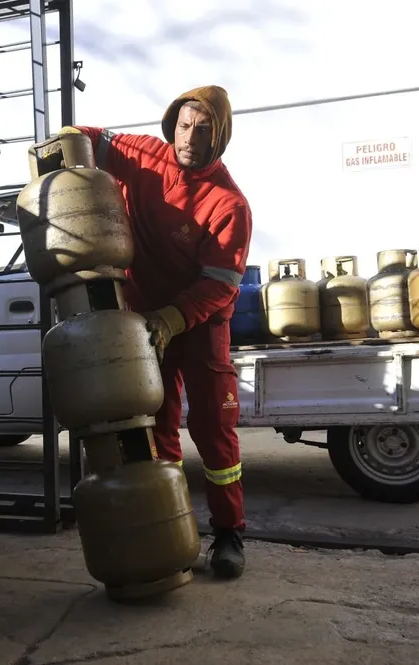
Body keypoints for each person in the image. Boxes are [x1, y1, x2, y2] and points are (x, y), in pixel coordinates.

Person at [61, 85, 253, 579]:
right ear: (172, 126)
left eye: (203, 130)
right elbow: (91, 138)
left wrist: (173, 318)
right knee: (156, 427)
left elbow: (220, 284)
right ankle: (174, 530)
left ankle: (229, 533)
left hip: (198, 324)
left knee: (213, 429)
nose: (189, 139)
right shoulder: (144, 155)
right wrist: (62, 146)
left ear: (219, 137)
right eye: (184, 126)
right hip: (145, 322)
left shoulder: (228, 204)